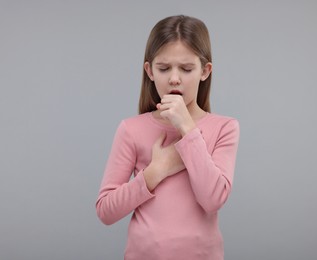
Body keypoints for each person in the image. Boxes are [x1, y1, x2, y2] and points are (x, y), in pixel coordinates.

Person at [96, 15, 240, 260]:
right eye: (164, 68)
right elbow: (106, 211)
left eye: (186, 68)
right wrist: (157, 170)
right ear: (149, 71)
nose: (174, 78)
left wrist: (187, 129)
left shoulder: (225, 128)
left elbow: (213, 199)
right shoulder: (131, 129)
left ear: (205, 71)